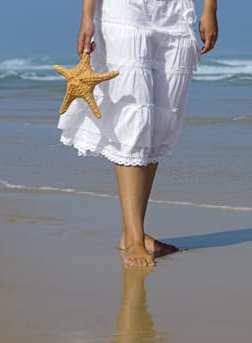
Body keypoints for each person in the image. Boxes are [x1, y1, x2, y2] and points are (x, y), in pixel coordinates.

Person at [57, 0, 218, 266]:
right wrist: (87, 16)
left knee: (158, 118)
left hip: (175, 13)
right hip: (123, 9)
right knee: (134, 116)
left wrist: (210, 9)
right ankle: (134, 238)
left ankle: (131, 233)